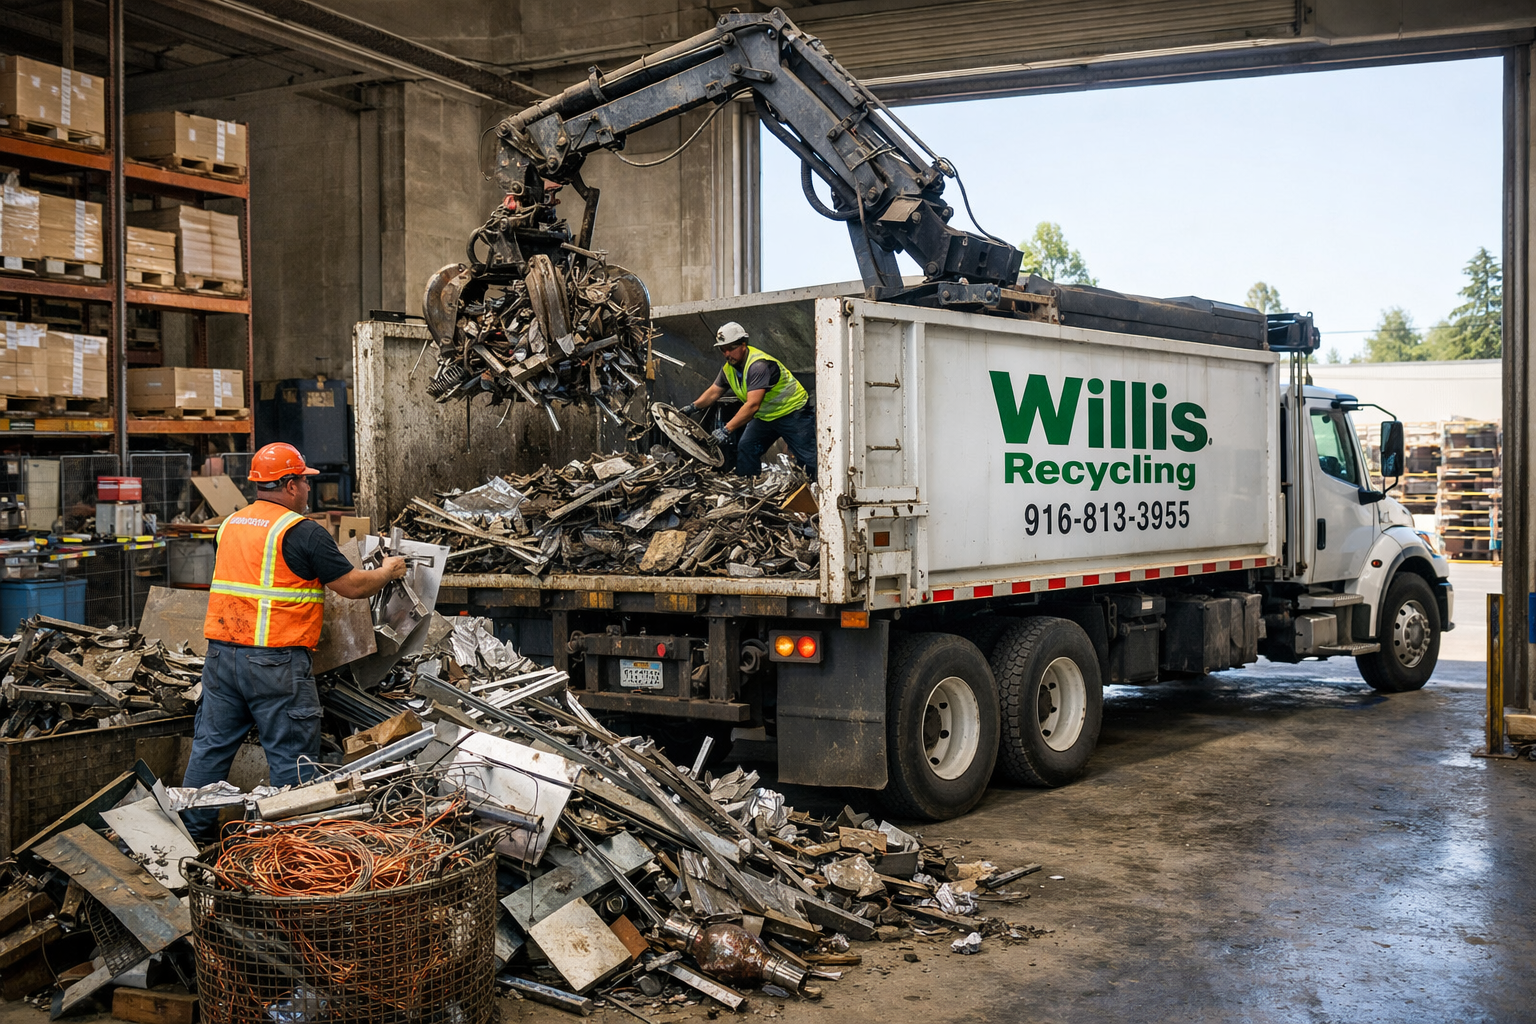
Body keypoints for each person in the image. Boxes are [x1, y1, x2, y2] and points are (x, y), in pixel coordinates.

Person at [180, 442, 406, 844]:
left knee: (210, 751)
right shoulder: (301, 532)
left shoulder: (229, 526)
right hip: (275, 665)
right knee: (291, 758)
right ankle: (290, 852)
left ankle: (189, 839)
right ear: (287, 485)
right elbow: (353, 586)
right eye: (303, 481)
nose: (307, 490)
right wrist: (388, 571)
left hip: (221, 659)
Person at [681, 321, 817, 478]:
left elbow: (752, 405)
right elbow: (713, 392)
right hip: (766, 417)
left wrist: (726, 430)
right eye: (722, 349)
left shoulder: (758, 366)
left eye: (731, 348)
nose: (727, 354)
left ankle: (817, 492)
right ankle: (748, 488)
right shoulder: (728, 368)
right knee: (747, 447)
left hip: (793, 412)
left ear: (743, 345)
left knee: (809, 458)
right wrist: (691, 408)